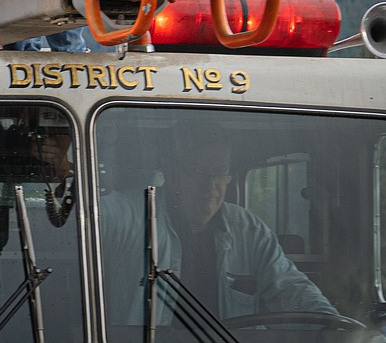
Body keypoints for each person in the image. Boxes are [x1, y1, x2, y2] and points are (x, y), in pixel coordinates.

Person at [102, 137, 337, 330]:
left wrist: (332, 327)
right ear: (171, 174)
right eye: (197, 171)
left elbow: (290, 288)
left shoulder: (249, 230)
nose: (210, 185)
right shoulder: (128, 215)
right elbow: (92, 213)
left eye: (219, 172)